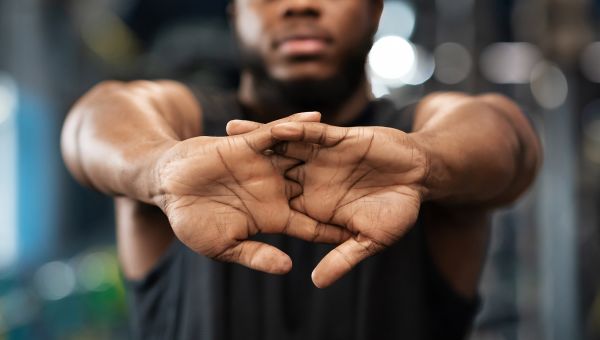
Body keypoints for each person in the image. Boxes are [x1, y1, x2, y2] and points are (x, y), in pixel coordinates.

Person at [61, 0, 541, 339]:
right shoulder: (180, 134)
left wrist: (427, 163)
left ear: (374, 10)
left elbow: (508, 138)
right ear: (236, 13)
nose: (300, 5)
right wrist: (157, 170)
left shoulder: (419, 141)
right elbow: (94, 120)